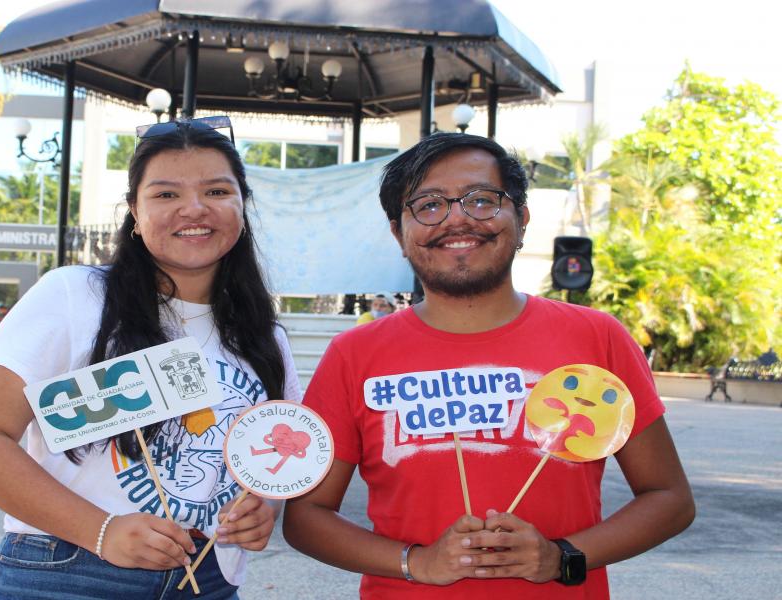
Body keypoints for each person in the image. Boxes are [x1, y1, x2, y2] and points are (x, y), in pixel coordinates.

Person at [283, 133, 694, 599]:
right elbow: (307, 517)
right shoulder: (354, 355)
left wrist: (561, 556)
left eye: (482, 200)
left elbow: (669, 499)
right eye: (429, 205)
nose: (457, 218)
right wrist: (418, 562)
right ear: (399, 233)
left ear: (521, 218)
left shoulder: (596, 338)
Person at [0, 118, 300, 599]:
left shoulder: (264, 336)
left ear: (242, 205)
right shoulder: (74, 295)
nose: (194, 208)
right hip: (72, 572)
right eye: (166, 194)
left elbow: (273, 450)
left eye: (217, 191)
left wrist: (262, 507)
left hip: (208, 578)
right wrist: (102, 530)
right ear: (134, 211)